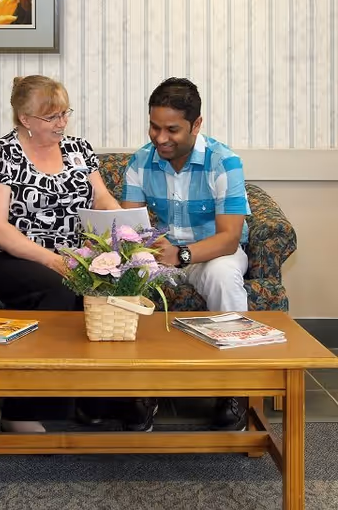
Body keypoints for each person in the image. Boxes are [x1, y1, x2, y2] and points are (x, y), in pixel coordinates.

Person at [0, 75, 154, 432]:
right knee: (60, 288)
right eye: (51, 117)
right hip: (6, 257)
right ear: (26, 119)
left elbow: (100, 197)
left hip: (72, 256)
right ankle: (21, 411)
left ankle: (100, 402)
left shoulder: (78, 150)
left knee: (108, 290)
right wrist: (52, 259)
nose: (62, 123)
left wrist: (120, 226)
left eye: (64, 114)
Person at [121, 77, 251, 431]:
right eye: (154, 126)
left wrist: (180, 255)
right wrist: (143, 251)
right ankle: (138, 391)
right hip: (163, 254)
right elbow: (126, 229)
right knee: (127, 278)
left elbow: (229, 238)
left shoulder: (223, 161)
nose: (160, 138)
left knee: (224, 276)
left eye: (172, 129)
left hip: (212, 253)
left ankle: (235, 392)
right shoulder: (140, 162)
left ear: (196, 124)